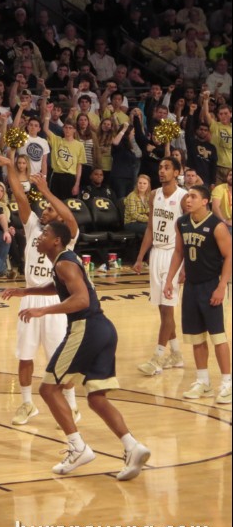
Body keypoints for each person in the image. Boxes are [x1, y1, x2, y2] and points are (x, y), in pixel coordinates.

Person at [16, 220, 151, 481]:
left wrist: (41, 310)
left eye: (45, 233)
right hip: (103, 329)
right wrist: (25, 290)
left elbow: (81, 299)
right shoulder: (64, 262)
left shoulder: (64, 262)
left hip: (86, 327)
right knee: (96, 398)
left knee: (48, 388)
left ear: (56, 241)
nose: (39, 236)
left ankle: (78, 447)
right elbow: (58, 287)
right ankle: (132, 447)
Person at [0, 153, 82, 426]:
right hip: (30, 296)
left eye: (49, 209)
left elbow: (70, 218)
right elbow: (21, 198)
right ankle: (26, 404)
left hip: (56, 303)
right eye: (43, 207)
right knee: (25, 356)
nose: (44, 211)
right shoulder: (34, 227)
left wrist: (46, 190)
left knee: (59, 358)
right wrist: (11, 168)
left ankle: (72, 406)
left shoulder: (67, 238)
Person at [165, 185, 231, 404]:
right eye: (187, 197)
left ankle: (227, 382)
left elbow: (229, 256)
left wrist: (222, 286)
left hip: (211, 284)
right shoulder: (181, 222)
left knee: (218, 336)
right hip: (191, 286)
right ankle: (203, 382)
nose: (188, 200)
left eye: (193, 196)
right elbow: (178, 252)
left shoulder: (217, 225)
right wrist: (170, 279)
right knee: (195, 337)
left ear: (205, 201)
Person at [133, 157, 188, 376]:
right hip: (156, 253)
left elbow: (187, 233)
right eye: (160, 168)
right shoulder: (154, 195)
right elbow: (149, 228)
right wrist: (140, 257)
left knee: (167, 308)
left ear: (177, 172)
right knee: (162, 307)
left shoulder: (184, 198)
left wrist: (185, 267)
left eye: (167, 168)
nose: (162, 171)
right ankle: (175, 354)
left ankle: (157, 358)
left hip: (174, 255)